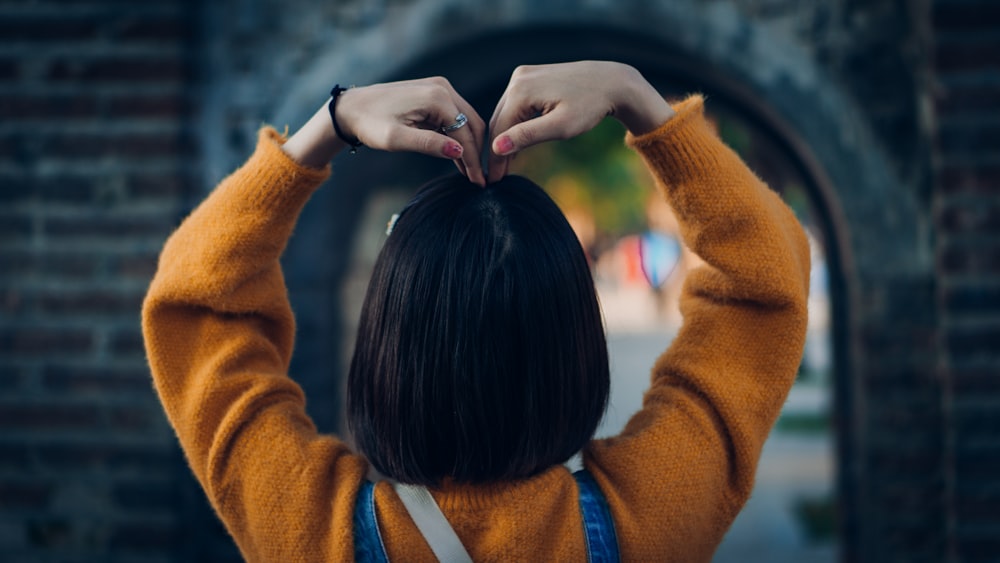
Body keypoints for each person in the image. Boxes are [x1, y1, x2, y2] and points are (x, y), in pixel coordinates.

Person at [142, 61, 810, 562]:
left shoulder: (313, 529)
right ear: (574, 343)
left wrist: (330, 124)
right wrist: (634, 95)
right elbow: (765, 284)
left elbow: (198, 303)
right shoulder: (653, 515)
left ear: (389, 338)